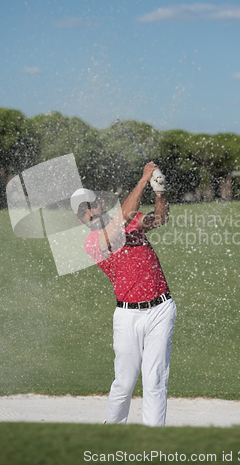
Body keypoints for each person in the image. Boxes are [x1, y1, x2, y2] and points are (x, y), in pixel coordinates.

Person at [70, 161, 176, 427]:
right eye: (83, 211)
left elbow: (159, 219)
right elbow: (122, 220)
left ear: (101, 205)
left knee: (155, 380)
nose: (90, 212)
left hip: (161, 308)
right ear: (80, 219)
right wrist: (143, 181)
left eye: (92, 205)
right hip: (128, 316)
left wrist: (160, 193)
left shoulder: (133, 222)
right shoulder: (93, 241)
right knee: (125, 382)